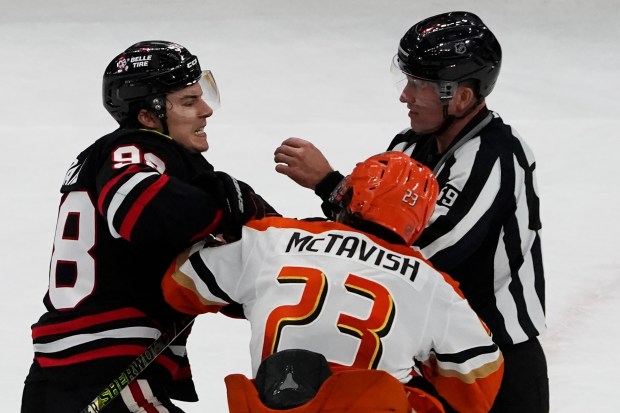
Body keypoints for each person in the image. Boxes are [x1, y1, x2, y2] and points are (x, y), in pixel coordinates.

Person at [273, 11, 548, 412]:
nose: (405, 95)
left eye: (419, 84)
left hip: (496, 364)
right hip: (423, 360)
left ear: (462, 96)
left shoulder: (497, 157)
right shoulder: (408, 145)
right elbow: (366, 234)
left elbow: (422, 256)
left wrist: (331, 186)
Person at [21, 40, 276, 413]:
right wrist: (226, 204)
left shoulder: (114, 159)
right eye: (189, 102)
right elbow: (141, 210)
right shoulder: (134, 148)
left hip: (64, 374)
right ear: (147, 116)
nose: (206, 110)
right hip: (108, 370)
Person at [162, 152, 504, 413]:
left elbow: (179, 285)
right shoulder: (433, 284)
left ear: (350, 195)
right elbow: (479, 387)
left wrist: (253, 296)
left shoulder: (272, 237)